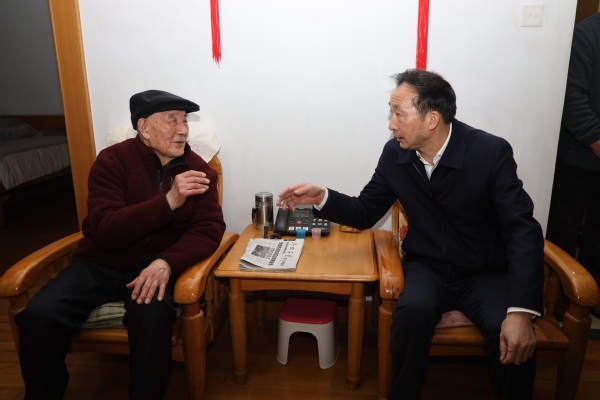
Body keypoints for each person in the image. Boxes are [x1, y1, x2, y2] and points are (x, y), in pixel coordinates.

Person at [277, 69, 544, 399]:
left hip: (484, 272)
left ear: (432, 119)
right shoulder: (395, 155)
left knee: (508, 331)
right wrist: (322, 198)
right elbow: (364, 211)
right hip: (428, 268)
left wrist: (521, 311)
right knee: (410, 314)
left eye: (398, 114)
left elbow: (522, 229)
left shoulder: (489, 153)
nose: (391, 124)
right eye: (391, 113)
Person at [14, 90, 226, 400]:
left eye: (184, 121)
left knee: (151, 316)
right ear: (144, 127)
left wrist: (167, 262)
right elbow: (105, 229)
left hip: (155, 268)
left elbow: (208, 229)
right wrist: (168, 201)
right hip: (100, 263)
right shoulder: (112, 161)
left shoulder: (199, 170)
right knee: (39, 316)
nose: (182, 129)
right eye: (172, 120)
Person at [546, 12, 600, 318]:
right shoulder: (585, 35)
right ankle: (561, 299)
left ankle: (592, 297)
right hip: (577, 157)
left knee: (598, 233)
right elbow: (571, 96)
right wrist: (595, 138)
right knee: (564, 228)